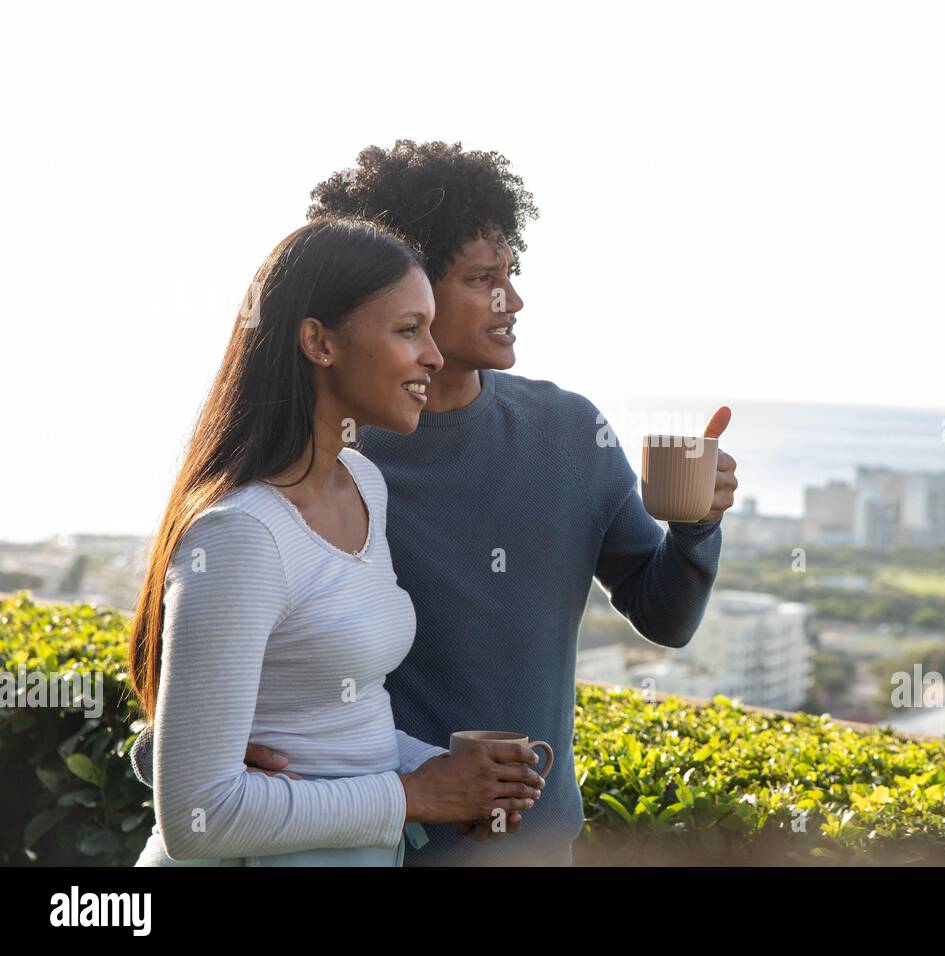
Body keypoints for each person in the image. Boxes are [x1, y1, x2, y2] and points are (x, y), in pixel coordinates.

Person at [132, 140, 739, 865]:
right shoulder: (323, 465)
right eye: (483, 279)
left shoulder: (562, 435)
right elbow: (202, 684)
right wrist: (192, 758)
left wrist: (695, 527)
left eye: (510, 275)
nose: (511, 301)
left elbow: (666, 617)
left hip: (520, 846)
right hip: (364, 845)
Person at [128, 217, 546, 866]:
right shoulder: (242, 535)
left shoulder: (363, 483)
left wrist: (452, 777)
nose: (433, 356)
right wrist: (415, 795)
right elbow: (195, 821)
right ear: (319, 342)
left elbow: (328, 725)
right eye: (409, 331)